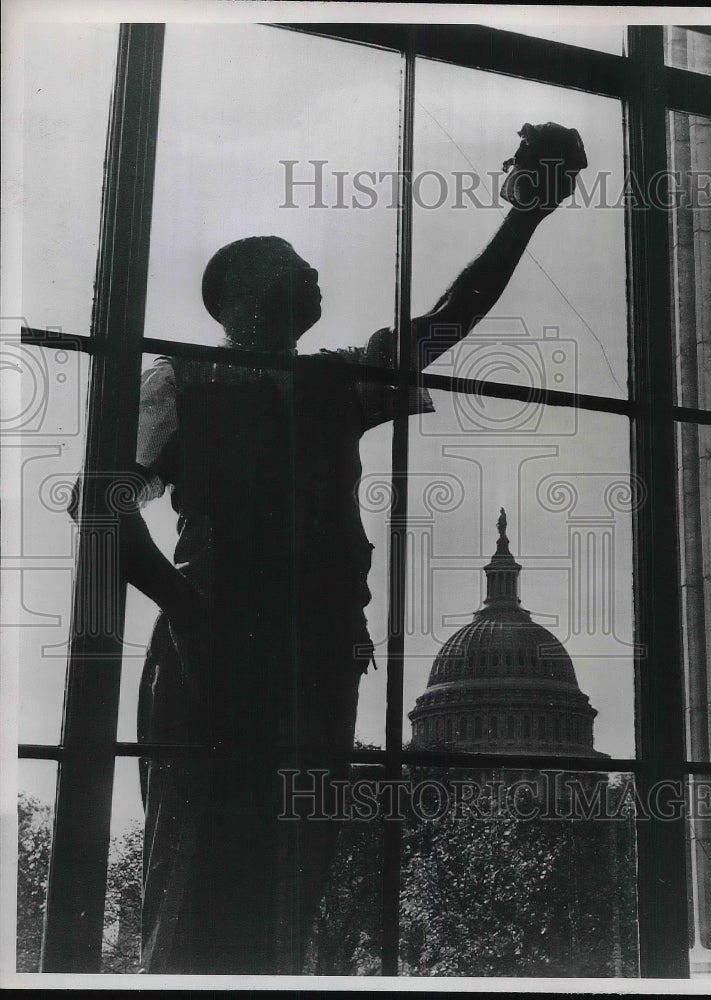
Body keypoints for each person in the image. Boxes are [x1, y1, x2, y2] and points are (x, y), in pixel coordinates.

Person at [107, 121, 587, 973]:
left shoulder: (335, 380)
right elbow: (102, 506)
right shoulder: (181, 381)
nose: (316, 276)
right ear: (244, 295)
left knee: (298, 859)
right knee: (198, 848)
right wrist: (191, 610)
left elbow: (450, 317)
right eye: (296, 266)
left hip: (317, 648)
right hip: (211, 646)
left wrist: (526, 214)